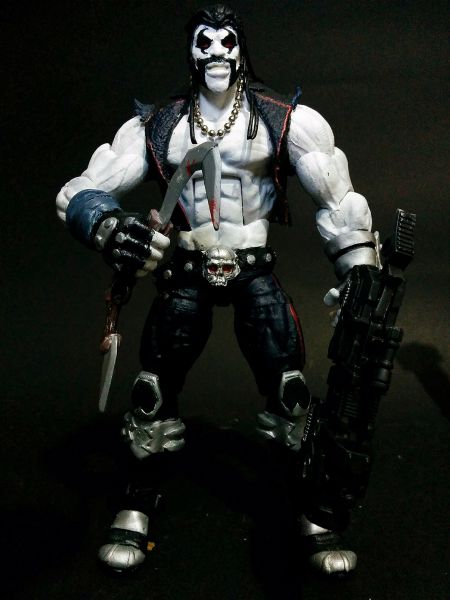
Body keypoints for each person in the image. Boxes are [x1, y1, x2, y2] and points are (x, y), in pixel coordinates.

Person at [56, 4, 378, 576]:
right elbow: (77, 191)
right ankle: (137, 501)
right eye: (204, 42)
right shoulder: (160, 125)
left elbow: (340, 201)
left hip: (253, 266)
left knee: (290, 393)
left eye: (226, 41)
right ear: (191, 52)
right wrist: (110, 228)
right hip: (186, 266)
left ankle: (313, 507)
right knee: (152, 390)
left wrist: (360, 276)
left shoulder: (286, 120)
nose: (216, 53)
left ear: (241, 49)